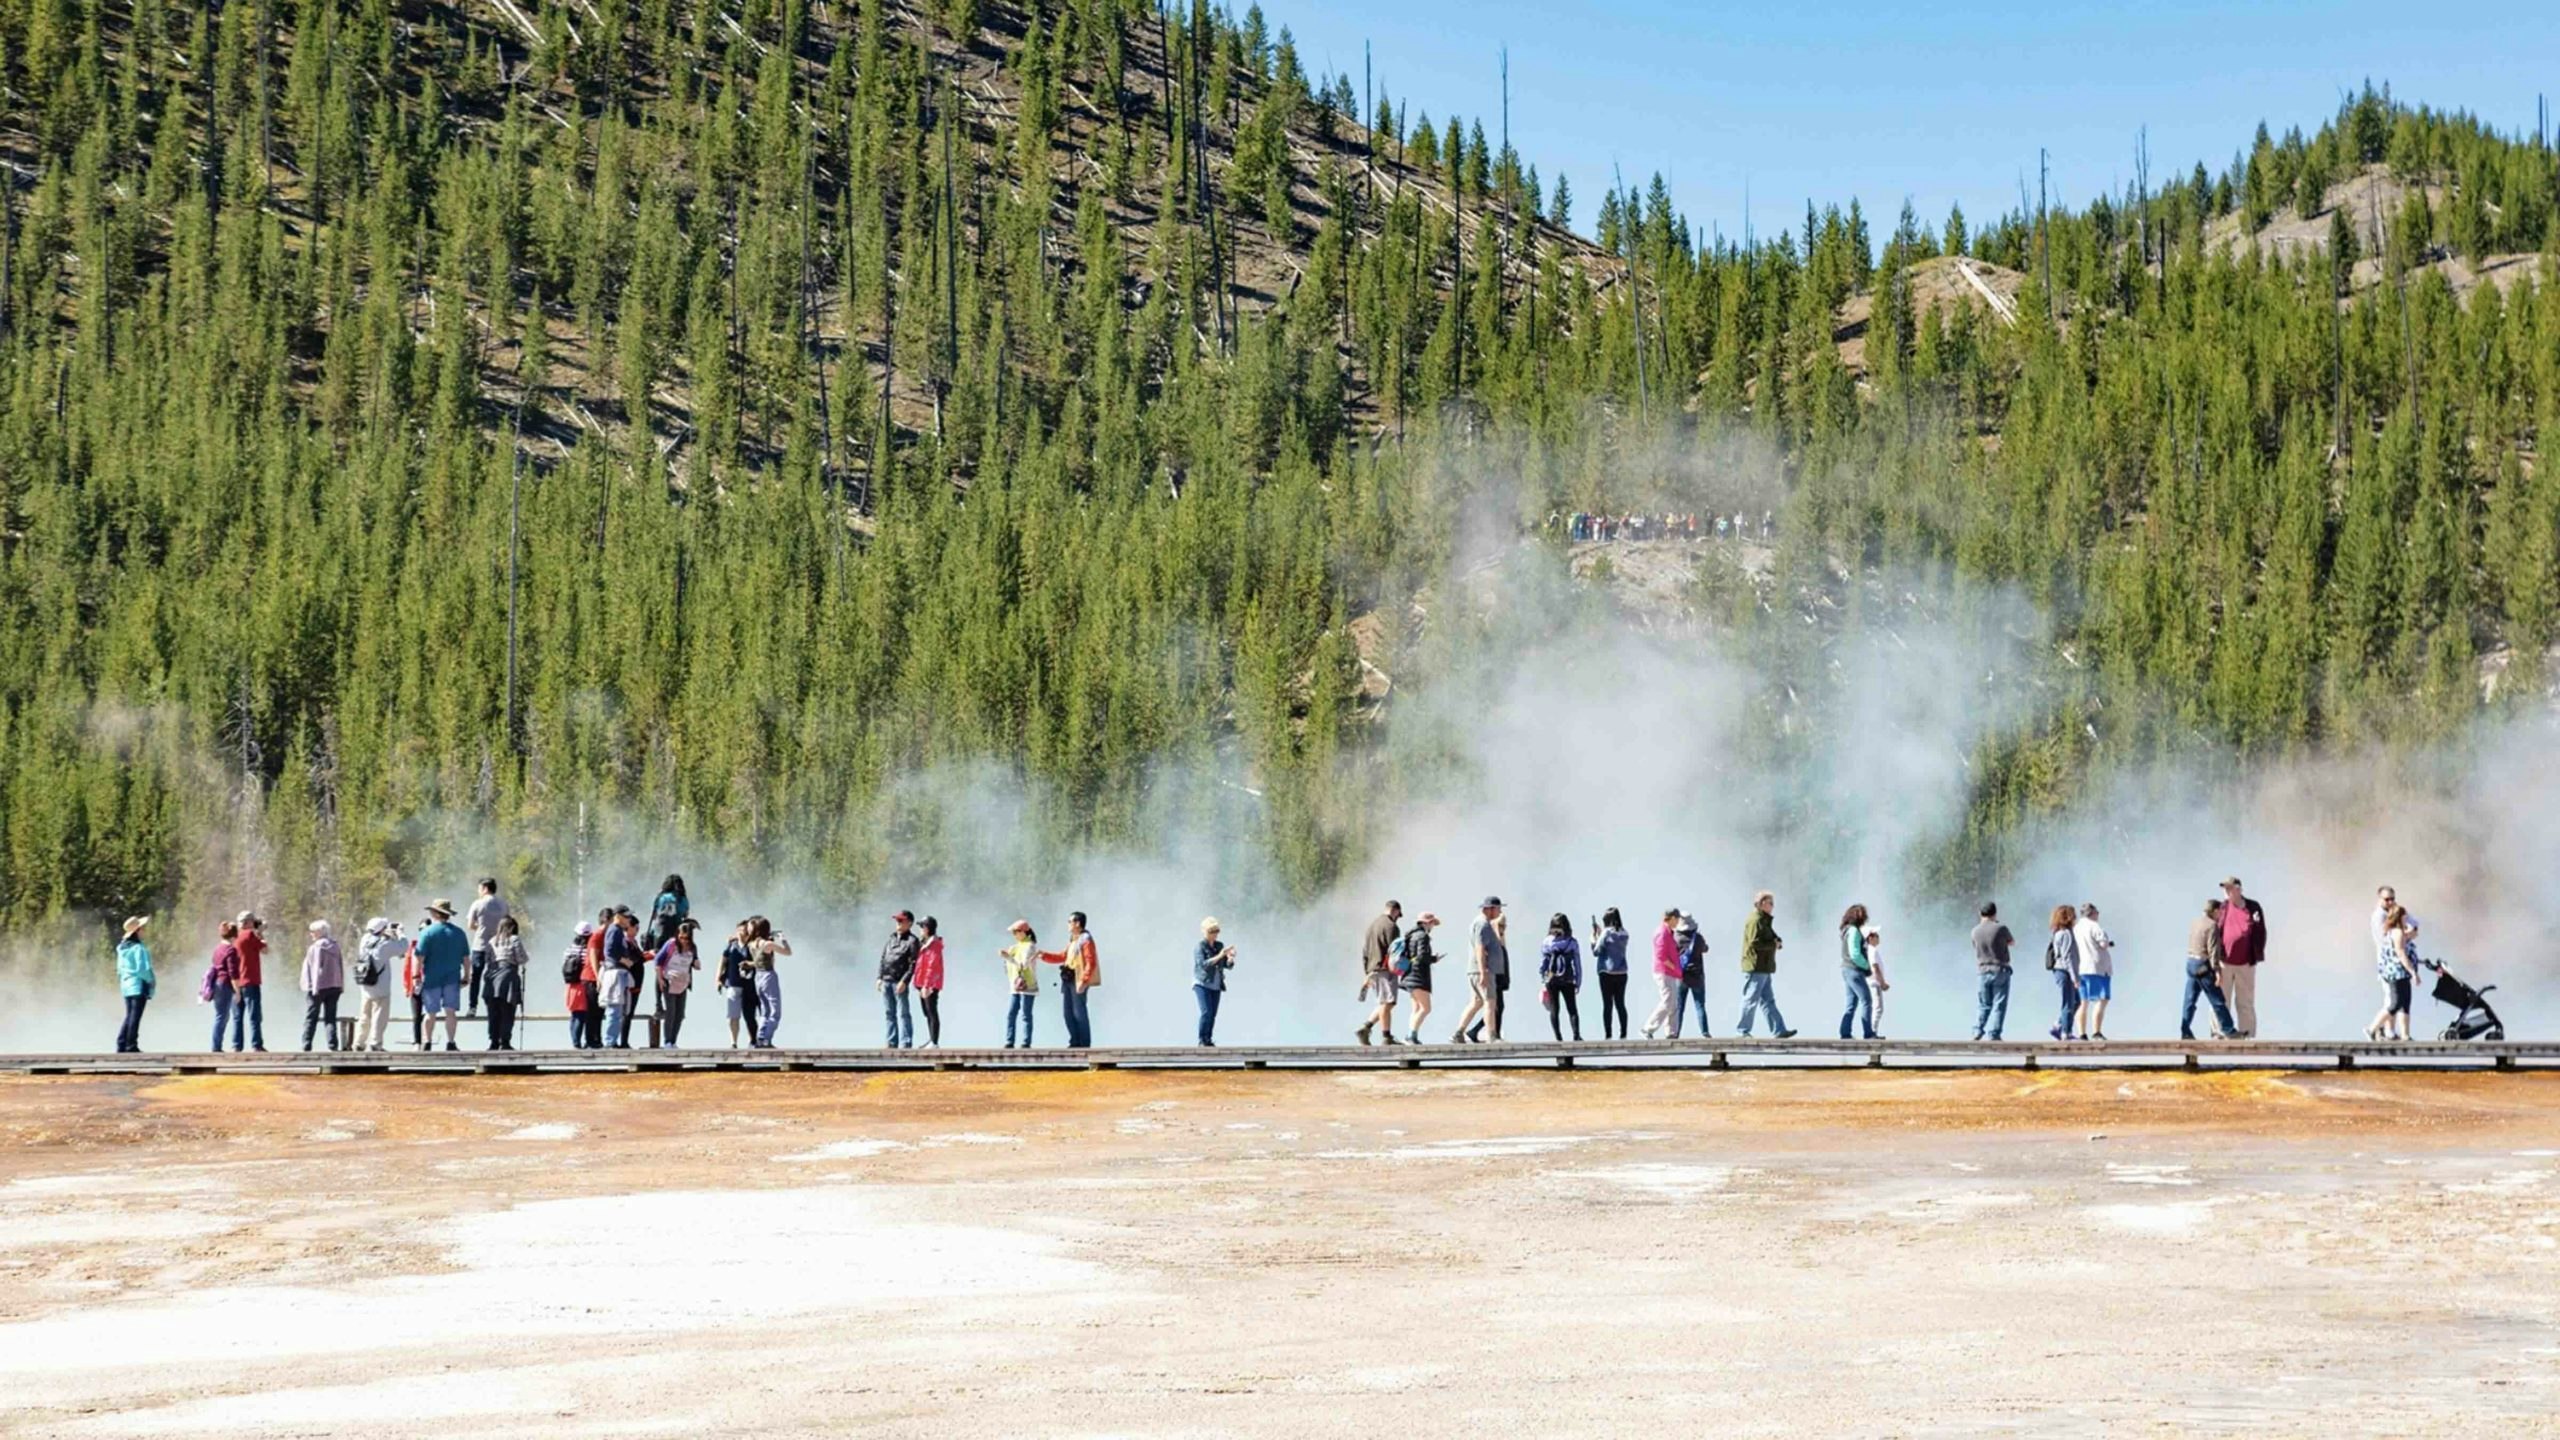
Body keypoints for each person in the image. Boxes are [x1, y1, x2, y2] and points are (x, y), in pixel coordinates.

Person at [2181, 898, 2241, 1041]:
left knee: (2190, 1000)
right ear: (2214, 911)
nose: (2221, 914)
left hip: (2190, 963)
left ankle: (2185, 1031)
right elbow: (2213, 951)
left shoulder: (2195, 922)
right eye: (2220, 911)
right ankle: (2229, 1030)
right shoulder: (2212, 925)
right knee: (2217, 1000)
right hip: (2203, 965)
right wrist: (2217, 972)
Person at [1737, 892, 1794, 1038]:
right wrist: (1773, 944)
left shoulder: (1764, 920)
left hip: (1764, 966)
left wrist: (1777, 940)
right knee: (1751, 999)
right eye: (1771, 903)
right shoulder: (1755, 920)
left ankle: (1779, 1030)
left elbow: (1770, 935)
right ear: (1762, 903)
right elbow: (1755, 942)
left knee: (1768, 1000)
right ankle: (1743, 1030)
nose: (1773, 906)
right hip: (1756, 966)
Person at [414, 900, 469, 1052]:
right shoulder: (459, 933)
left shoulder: (427, 932)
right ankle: (451, 1042)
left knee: (430, 1012)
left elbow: (419, 956)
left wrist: (415, 976)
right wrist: (467, 976)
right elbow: (466, 958)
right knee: (450, 1011)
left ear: (436, 914)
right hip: (452, 977)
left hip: (432, 978)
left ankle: (427, 1042)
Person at [2218, 877, 2268, 1038]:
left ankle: (2248, 1034)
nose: (2226, 891)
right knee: (2221, 1000)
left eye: (2229, 888)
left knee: (2245, 1001)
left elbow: (2261, 932)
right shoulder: (2222, 908)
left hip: (2246, 963)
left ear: (2238, 889)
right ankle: (2219, 1033)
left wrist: (2257, 953)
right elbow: (2214, 932)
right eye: (2225, 889)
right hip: (2224, 962)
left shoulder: (2253, 907)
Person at [1454, 897, 1509, 1043]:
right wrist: (1483, 971)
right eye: (1498, 908)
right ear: (1490, 908)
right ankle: (1491, 1036)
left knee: (1476, 1002)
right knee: (1490, 1002)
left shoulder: (1482, 923)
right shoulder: (1483, 924)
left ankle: (1458, 1033)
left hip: (1477, 970)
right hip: (1483, 971)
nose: (1500, 911)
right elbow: (1480, 948)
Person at [2370, 904, 2419, 1041]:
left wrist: (2411, 931)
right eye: (2405, 917)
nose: (2407, 919)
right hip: (2396, 973)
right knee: (2395, 1003)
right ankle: (2372, 1029)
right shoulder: (2396, 932)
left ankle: (2405, 1035)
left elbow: (2411, 934)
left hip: (2402, 974)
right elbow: (2401, 954)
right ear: (2399, 917)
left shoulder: (2398, 932)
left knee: (2405, 1003)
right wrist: (2413, 972)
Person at [1357, 901, 1403, 1046]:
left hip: (1373, 968)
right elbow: (1395, 951)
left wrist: (1367, 972)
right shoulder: (1391, 926)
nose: (1398, 918)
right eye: (1398, 915)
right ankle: (1386, 1037)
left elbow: (1365, 951)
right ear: (1395, 910)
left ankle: (1366, 1028)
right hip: (1385, 969)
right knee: (1387, 1002)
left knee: (1386, 1002)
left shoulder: (1372, 926)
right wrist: (1401, 968)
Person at [353, 919, 399, 1052]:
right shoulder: (384, 944)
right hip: (381, 987)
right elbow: (402, 947)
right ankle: (375, 1043)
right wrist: (400, 933)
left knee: (364, 1015)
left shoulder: (365, 940)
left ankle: (359, 1042)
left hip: (366, 985)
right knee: (379, 1016)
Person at [299, 921, 345, 1053]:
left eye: (312, 931)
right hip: (334, 986)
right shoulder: (335, 946)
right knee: (330, 1017)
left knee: (311, 1016)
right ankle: (333, 1045)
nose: (311, 934)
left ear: (319, 932)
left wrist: (314, 987)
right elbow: (340, 966)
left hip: (318, 987)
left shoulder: (316, 947)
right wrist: (341, 984)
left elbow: (315, 968)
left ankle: (306, 1044)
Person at [464, 878, 508, 1019]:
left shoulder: (478, 904)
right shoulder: (503, 904)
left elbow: (470, 925)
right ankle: (495, 1006)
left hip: (480, 945)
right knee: (495, 978)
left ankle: (472, 1007)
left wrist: (481, 928)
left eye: (479, 888)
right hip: (498, 946)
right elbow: (508, 925)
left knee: (475, 977)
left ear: (484, 888)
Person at [653, 919, 699, 1048]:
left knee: (680, 1014)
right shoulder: (671, 944)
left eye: (686, 938)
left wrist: (697, 964)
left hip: (683, 982)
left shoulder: (692, 947)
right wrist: (660, 979)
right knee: (671, 1012)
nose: (683, 940)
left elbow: (695, 961)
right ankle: (667, 1040)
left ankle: (673, 1040)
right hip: (669, 981)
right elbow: (658, 961)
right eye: (681, 937)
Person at [1057, 912, 1101, 1049]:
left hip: (1078, 979)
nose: (1068, 924)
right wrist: (1043, 955)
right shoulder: (1073, 940)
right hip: (1069, 979)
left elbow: (1090, 961)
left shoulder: (1085, 939)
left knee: (1079, 1012)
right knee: (1068, 1012)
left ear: (1077, 923)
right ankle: (1074, 1041)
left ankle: (1084, 1044)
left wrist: (1084, 980)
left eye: (1070, 921)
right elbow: (1062, 957)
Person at [1971, 902, 2014, 1041]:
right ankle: (1994, 1034)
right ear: (1995, 913)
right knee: (1999, 1004)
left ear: (1980, 914)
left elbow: (1975, 946)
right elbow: (2012, 942)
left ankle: (1977, 1030)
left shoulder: (1975, 931)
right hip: (2000, 969)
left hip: (1982, 970)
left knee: (1984, 1004)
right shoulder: (2000, 928)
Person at [2072, 903, 2115, 1040]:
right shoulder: (2094, 926)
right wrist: (2109, 943)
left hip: (2081, 968)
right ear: (2092, 913)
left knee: (2083, 1001)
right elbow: (2103, 943)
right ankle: (2096, 1031)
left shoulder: (2076, 927)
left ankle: (2082, 1033)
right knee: (2103, 999)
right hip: (2098, 968)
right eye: (2097, 912)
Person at [879, 911, 921, 1049]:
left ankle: (906, 1042)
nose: (898, 922)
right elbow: (883, 959)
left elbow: (913, 964)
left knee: (903, 1013)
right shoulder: (891, 939)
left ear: (909, 923)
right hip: (886, 980)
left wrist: (905, 981)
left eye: (901, 920)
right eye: (897, 920)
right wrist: (879, 977)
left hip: (899, 982)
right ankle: (891, 1042)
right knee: (889, 1013)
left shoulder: (912, 941)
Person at [484, 915, 527, 1050]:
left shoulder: (492, 941)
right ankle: (505, 1041)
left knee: (493, 1012)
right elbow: (522, 959)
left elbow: (488, 959)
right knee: (508, 1011)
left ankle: (493, 1041)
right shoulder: (514, 939)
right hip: (508, 977)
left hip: (492, 977)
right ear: (513, 927)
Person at [1539, 913, 1584, 1041]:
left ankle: (1558, 1037)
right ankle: (1576, 1035)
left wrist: (1543, 978)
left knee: (1554, 1009)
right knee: (1572, 1008)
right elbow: (1577, 964)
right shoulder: (1572, 942)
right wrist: (1578, 981)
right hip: (1568, 979)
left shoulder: (1546, 942)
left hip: (1551, 979)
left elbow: (1543, 963)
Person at [229, 911, 269, 1052]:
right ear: (248, 922)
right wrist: (260, 933)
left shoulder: (234, 937)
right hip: (250, 980)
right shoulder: (250, 935)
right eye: (253, 921)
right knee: (254, 1015)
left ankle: (236, 1045)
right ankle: (256, 1045)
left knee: (237, 1016)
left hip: (235, 981)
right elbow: (265, 949)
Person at [1194, 918, 1237, 1045]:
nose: (1214, 934)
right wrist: (1220, 955)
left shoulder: (1219, 946)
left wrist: (1230, 959)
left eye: (1216, 931)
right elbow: (1203, 965)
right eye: (1211, 931)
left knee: (1212, 1014)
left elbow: (1226, 965)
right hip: (1202, 983)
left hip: (1216, 984)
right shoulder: (1200, 947)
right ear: (1205, 932)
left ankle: (1208, 1039)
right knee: (1206, 1012)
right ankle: (1202, 1040)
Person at [114, 916, 155, 1053]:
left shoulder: (122, 949)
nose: (144, 931)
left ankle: (121, 1043)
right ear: (137, 931)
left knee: (130, 1015)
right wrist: (151, 981)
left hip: (126, 985)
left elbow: (119, 969)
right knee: (135, 1016)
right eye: (142, 929)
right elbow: (143, 969)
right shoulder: (138, 948)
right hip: (137, 985)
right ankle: (131, 1045)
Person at [1588, 908, 1631, 1039]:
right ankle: (1623, 1033)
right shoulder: (1624, 933)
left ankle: (1608, 1034)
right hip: (1622, 973)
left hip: (1607, 972)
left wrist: (1593, 937)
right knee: (1620, 1004)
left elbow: (1596, 951)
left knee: (1607, 1004)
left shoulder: (1606, 933)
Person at [748, 917, 790, 1048]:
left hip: (758, 976)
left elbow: (757, 961)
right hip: (768, 976)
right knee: (775, 1011)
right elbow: (788, 952)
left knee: (764, 1010)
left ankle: (760, 1037)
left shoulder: (751, 944)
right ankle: (767, 1039)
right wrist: (782, 939)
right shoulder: (767, 945)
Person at [1642, 908, 1684, 1039]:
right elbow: (1661, 955)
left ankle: (1671, 1032)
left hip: (1670, 972)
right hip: (1664, 972)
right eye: (1677, 919)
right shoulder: (1662, 932)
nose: (1678, 922)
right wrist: (1672, 966)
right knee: (1668, 1001)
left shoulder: (1668, 932)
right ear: (1672, 918)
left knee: (1673, 1003)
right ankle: (1647, 1028)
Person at [1398, 913, 1439, 1043]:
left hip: (1408, 974)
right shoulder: (1423, 936)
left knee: (1416, 1008)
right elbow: (1421, 956)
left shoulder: (1410, 935)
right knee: (1426, 1008)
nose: (1433, 926)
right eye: (1432, 923)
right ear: (1426, 923)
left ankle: (1410, 1036)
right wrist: (1433, 958)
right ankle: (1411, 1036)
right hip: (1418, 976)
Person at [205, 921, 243, 1053]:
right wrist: (237, 991)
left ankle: (216, 1045)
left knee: (220, 1015)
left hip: (216, 984)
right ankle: (216, 1047)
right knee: (222, 1016)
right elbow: (233, 972)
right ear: (234, 935)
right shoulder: (230, 950)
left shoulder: (218, 948)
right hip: (225, 984)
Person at [1838, 904, 1875, 1040]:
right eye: (1862, 915)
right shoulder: (1853, 931)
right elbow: (1855, 954)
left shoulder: (1846, 930)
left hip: (1846, 969)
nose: (1864, 918)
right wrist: (1866, 966)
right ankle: (1868, 1033)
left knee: (1851, 1003)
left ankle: (1845, 1033)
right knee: (1867, 1000)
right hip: (1854, 970)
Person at [2045, 905, 2081, 1041]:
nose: (2075, 917)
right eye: (2073, 915)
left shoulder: (2059, 932)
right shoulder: (2066, 934)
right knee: (2069, 1002)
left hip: (2061, 970)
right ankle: (2066, 1032)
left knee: (2076, 1001)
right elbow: (2067, 957)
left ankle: (2058, 1025)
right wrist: (2075, 977)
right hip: (2064, 971)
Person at [1001, 921, 1040, 1048]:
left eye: (1016, 932)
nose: (1014, 935)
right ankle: (1009, 1040)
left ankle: (1025, 1042)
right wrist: (1006, 958)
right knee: (1011, 1013)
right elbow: (1008, 967)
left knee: (1025, 1014)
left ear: (1024, 932)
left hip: (1027, 985)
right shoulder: (1015, 947)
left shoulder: (1030, 946)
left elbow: (1023, 964)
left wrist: (1008, 958)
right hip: (1015, 986)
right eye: (1013, 932)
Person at [562, 922, 600, 1050]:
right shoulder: (588, 950)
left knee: (575, 1013)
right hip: (584, 984)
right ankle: (579, 1042)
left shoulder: (569, 949)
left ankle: (575, 1040)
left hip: (571, 985)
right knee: (583, 1014)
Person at [719, 920, 756, 1049]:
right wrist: (718, 978)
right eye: (740, 929)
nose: (742, 932)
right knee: (733, 1016)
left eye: (744, 930)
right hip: (733, 983)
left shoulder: (752, 945)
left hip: (749, 985)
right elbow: (723, 961)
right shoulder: (731, 945)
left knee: (749, 1015)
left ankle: (752, 1040)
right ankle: (733, 1042)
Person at [1676, 914, 1713, 1036]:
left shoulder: (1676, 938)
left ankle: (1676, 1032)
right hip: (1697, 976)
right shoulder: (1698, 938)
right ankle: (1705, 1031)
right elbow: (1706, 949)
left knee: (1680, 1007)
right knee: (1700, 1005)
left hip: (1682, 976)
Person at [914, 917, 947, 1048]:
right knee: (926, 1012)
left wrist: (927, 985)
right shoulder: (925, 943)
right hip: (923, 983)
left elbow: (932, 966)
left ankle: (934, 1041)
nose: (920, 930)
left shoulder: (935, 944)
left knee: (931, 1011)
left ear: (926, 929)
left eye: (921, 927)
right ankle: (931, 1039)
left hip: (930, 984)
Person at [644, 875, 690, 952]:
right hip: (676, 934)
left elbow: (654, 916)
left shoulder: (660, 897)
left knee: (659, 958)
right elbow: (685, 916)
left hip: (659, 934)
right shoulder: (682, 899)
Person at [1863, 927, 1889, 1038]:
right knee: (1878, 1008)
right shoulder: (1872, 950)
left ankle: (1872, 1032)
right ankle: (1872, 1033)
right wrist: (1882, 982)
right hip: (1874, 983)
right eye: (1876, 935)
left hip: (1872, 982)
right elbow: (1875, 967)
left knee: (1875, 1007)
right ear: (1870, 937)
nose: (1878, 938)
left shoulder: (1869, 950)